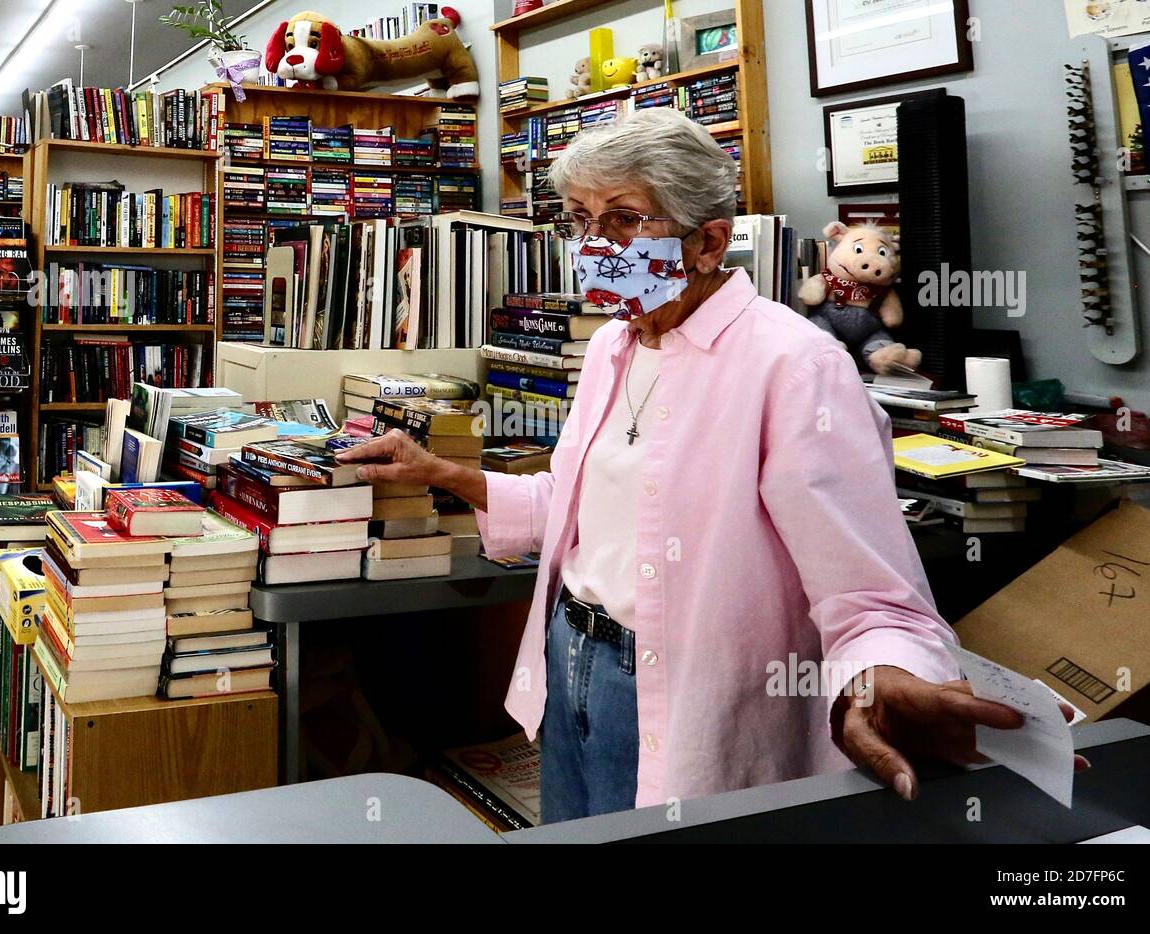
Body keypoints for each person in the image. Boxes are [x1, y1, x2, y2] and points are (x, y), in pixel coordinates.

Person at [338, 108, 1080, 823]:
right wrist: (442, 473)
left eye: (624, 218)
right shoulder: (612, 344)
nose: (594, 244)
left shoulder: (795, 366)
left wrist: (884, 671)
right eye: (579, 219)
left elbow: (871, 595)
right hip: (571, 664)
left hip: (679, 691)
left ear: (708, 240)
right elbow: (584, 508)